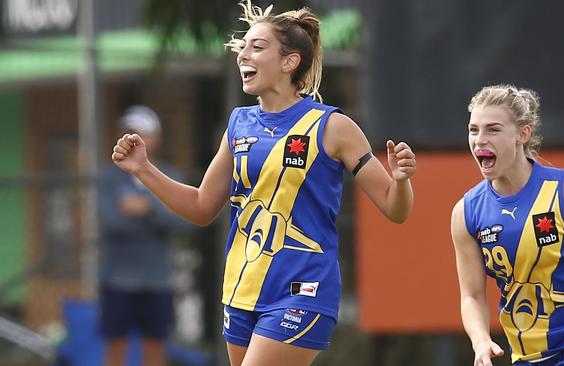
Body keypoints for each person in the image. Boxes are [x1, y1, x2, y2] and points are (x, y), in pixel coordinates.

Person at [110, 1, 416, 365]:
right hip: (243, 289)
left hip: (303, 291)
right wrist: (143, 168)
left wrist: (401, 181)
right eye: (243, 47)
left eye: (257, 47)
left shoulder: (333, 126)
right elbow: (201, 207)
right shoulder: (239, 124)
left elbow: (395, 209)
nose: (243, 55)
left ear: (289, 62)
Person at [451, 84, 564, 366]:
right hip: (528, 354)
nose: (480, 140)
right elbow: (471, 296)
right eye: (474, 130)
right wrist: (480, 340)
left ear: (523, 134)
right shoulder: (467, 212)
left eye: (493, 130)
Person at [98, 105, 193, 366]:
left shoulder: (172, 176)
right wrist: (160, 210)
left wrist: (148, 207)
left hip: (158, 281)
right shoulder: (108, 178)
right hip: (117, 281)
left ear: (156, 138)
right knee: (115, 349)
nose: (133, 139)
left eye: (142, 133)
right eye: (128, 132)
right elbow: (112, 222)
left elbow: (185, 222)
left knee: (155, 350)